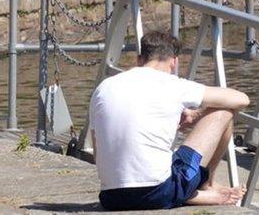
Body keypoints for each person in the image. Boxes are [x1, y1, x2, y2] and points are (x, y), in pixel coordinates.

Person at [89, 31, 249, 210]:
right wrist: (197, 114)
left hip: (111, 197)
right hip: (158, 192)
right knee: (223, 112)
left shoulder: (103, 88)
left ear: (139, 59)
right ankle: (204, 186)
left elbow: (98, 155)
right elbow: (242, 99)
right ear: (174, 61)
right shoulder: (173, 84)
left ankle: (187, 192)